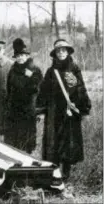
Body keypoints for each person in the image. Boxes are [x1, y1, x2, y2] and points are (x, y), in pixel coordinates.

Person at [37, 39, 91, 181]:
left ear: (67, 52)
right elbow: (43, 91)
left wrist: (83, 108)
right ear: (55, 54)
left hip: (69, 111)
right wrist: (41, 110)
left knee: (68, 142)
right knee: (53, 142)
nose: (61, 53)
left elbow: (81, 88)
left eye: (63, 50)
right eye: (58, 51)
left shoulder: (74, 68)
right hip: (53, 111)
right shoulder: (51, 71)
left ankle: (66, 174)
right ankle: (54, 173)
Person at [4, 38, 43, 154]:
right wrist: (8, 106)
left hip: (28, 110)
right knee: (14, 140)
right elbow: (9, 89)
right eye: (17, 56)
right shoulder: (12, 70)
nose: (20, 58)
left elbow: (40, 89)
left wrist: (39, 110)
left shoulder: (34, 70)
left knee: (27, 139)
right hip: (14, 110)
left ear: (27, 56)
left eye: (22, 55)